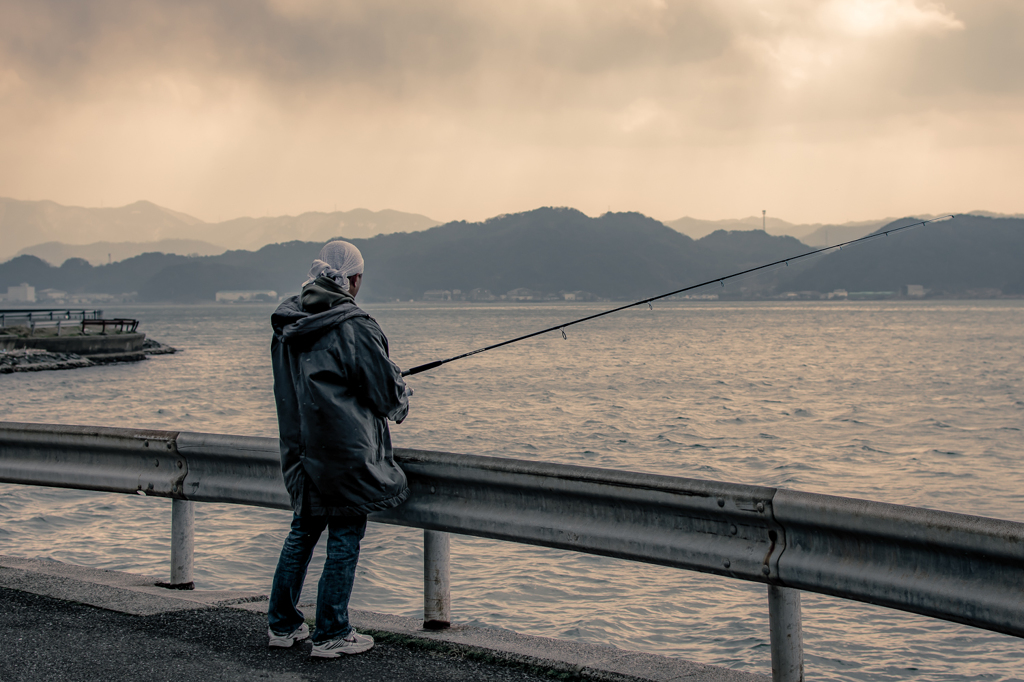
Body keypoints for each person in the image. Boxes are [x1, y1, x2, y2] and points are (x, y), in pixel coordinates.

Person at [266, 241, 410, 658]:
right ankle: (331, 633)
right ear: (354, 279)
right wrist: (402, 393)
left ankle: (283, 624)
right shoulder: (356, 325)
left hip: (301, 450)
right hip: (346, 454)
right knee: (345, 537)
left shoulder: (288, 322)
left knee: (303, 532)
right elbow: (385, 395)